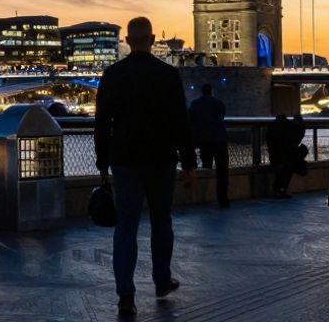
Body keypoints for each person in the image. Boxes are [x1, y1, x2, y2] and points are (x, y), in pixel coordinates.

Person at [96, 17, 196, 317]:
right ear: (152, 40)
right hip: (161, 159)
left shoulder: (113, 74)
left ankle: (126, 295)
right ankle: (162, 281)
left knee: (125, 227)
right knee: (161, 222)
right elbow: (181, 122)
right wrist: (190, 162)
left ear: (127, 39)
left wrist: (102, 162)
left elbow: (102, 123)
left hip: (125, 160)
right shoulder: (167, 74)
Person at [189, 84, 229, 207]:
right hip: (219, 139)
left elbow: (192, 120)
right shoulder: (219, 103)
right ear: (212, 91)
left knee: (206, 167)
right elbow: (221, 117)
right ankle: (222, 198)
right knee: (222, 171)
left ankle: (203, 197)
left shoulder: (195, 104)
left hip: (204, 141)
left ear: (202, 91)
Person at [268, 112, 306, 199]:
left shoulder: (272, 127)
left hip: (276, 157)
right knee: (289, 166)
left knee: (284, 167)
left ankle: (279, 189)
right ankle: (280, 189)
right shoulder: (290, 127)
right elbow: (298, 137)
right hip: (287, 157)